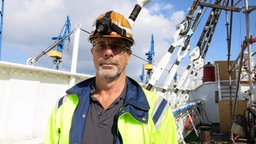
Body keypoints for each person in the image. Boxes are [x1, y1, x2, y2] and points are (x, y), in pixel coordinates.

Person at [44, 10, 178, 144]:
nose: (108, 52)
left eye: (116, 46)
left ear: (128, 56)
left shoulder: (157, 111)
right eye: (101, 45)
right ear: (93, 53)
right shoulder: (64, 106)